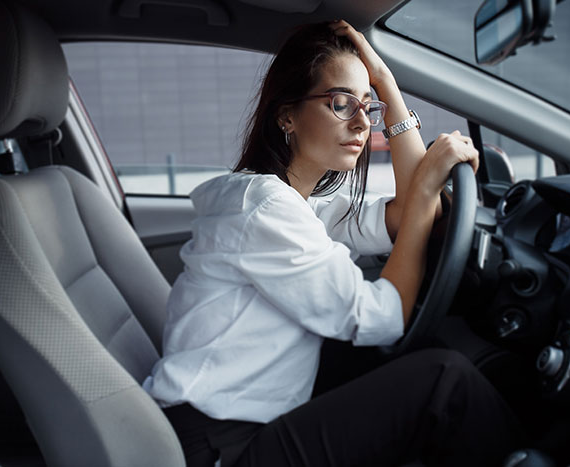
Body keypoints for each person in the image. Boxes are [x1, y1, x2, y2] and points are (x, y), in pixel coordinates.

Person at [144, 20, 522, 466]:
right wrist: (424, 190)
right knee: (446, 382)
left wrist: (387, 84)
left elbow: (409, 217)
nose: (363, 123)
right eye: (342, 104)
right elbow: (384, 316)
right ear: (287, 115)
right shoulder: (264, 209)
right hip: (222, 446)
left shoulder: (300, 206)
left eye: (368, 107)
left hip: (236, 425)